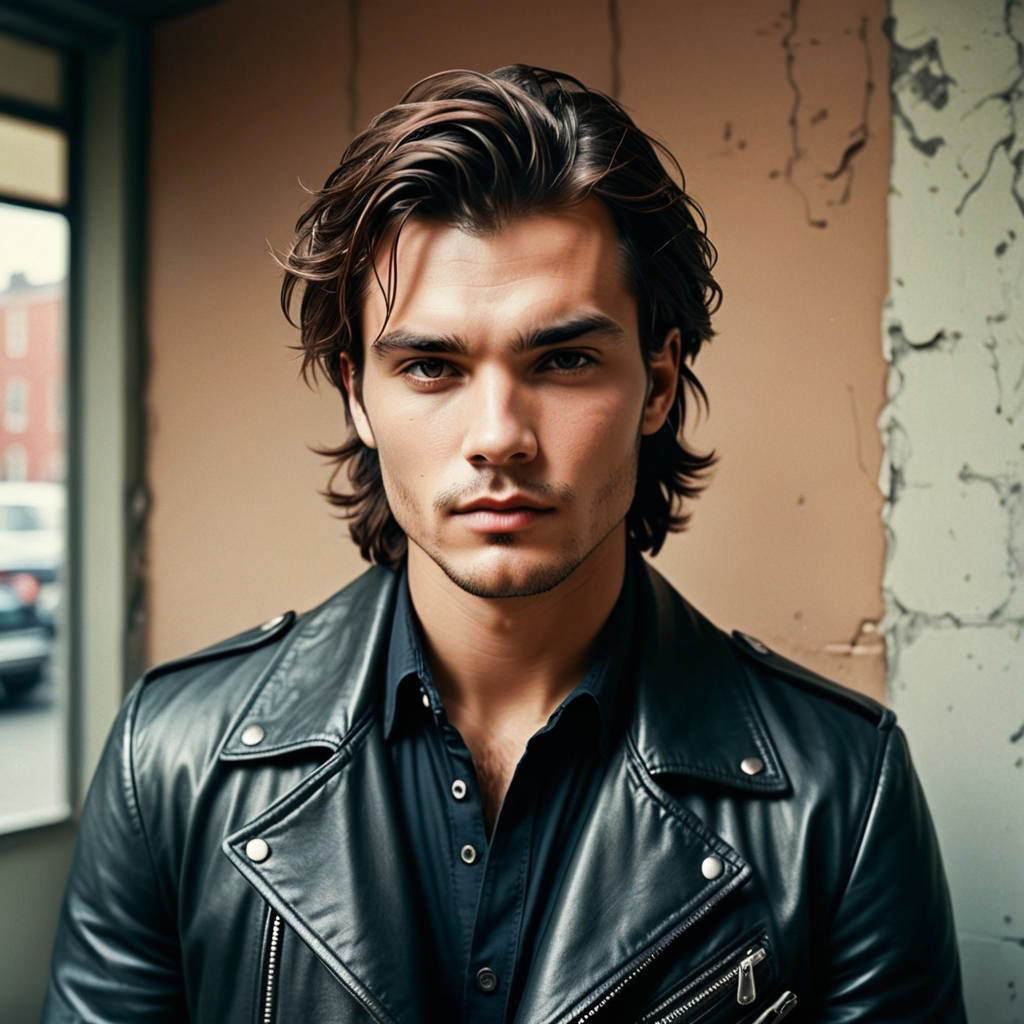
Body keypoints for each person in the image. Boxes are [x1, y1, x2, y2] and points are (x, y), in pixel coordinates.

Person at [43, 64, 966, 1024]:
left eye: (563, 360)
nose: (499, 435)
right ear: (359, 394)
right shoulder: (174, 757)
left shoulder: (842, 793)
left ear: (656, 383)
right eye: (433, 366)